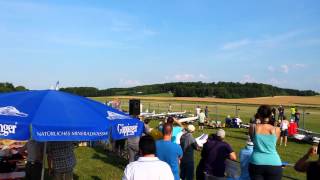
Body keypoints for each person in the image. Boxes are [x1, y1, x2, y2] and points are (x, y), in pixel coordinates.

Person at [249, 105, 282, 180]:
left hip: (257, 162)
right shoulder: (276, 129)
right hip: (274, 162)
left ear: (259, 115)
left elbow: (253, 140)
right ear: (270, 115)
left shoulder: (253, 127)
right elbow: (273, 144)